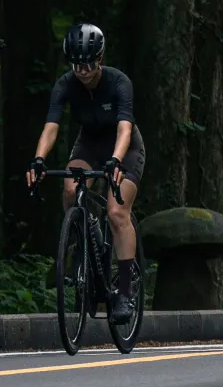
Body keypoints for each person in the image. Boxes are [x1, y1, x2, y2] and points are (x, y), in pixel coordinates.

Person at [25, 23, 143, 322]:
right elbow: (51, 126)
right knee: (68, 188)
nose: (83, 70)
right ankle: (81, 238)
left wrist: (116, 161)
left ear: (100, 58)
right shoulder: (65, 85)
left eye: (89, 63)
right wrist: (39, 160)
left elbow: (125, 128)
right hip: (89, 144)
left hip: (123, 147)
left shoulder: (119, 82)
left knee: (117, 212)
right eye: (77, 64)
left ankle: (126, 293)